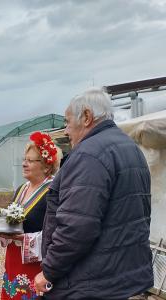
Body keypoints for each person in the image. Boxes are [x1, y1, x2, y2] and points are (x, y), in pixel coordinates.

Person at [34, 88, 153, 299]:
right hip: (120, 275)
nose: (66, 131)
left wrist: (49, 271)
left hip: (90, 281)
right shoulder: (130, 148)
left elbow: (77, 227)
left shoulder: (88, 155)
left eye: (68, 122)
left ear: (87, 117)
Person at [0, 132, 60, 300]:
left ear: (46, 166)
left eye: (30, 161)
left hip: (35, 265)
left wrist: (24, 238)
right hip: (13, 260)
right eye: (24, 160)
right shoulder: (21, 189)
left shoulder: (52, 192)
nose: (24, 164)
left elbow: (55, 232)